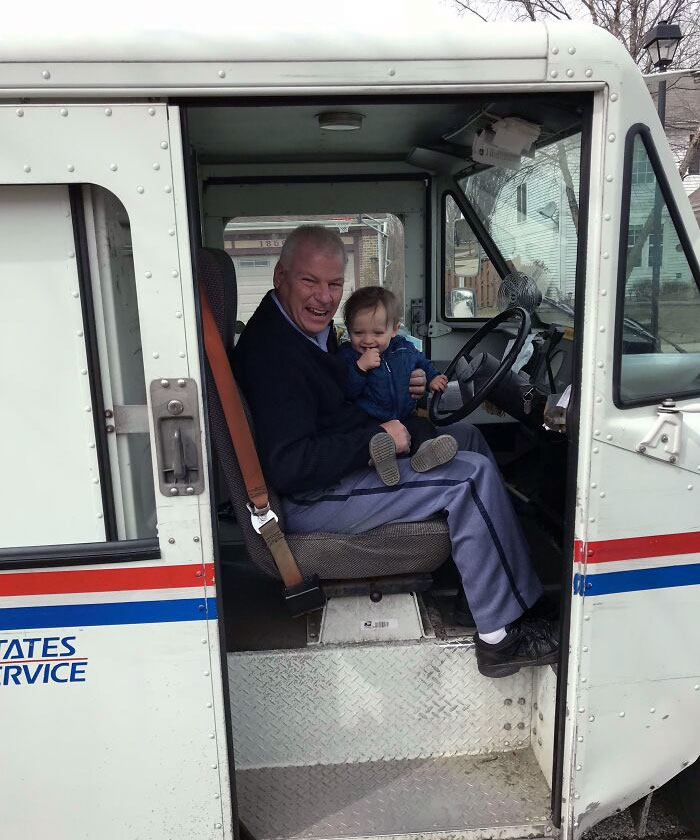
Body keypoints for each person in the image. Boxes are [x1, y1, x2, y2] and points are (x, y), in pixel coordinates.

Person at [234, 224, 558, 678]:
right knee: (469, 477)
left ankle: (491, 588)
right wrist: (377, 439)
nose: (324, 297)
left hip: (334, 467)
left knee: (466, 439)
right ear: (280, 277)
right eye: (310, 281)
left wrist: (402, 401)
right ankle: (499, 638)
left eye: (333, 285)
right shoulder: (275, 356)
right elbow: (291, 467)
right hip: (309, 499)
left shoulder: (303, 330)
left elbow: (334, 403)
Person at [338, 285, 458, 486]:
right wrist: (360, 368)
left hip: (403, 416)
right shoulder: (348, 356)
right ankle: (383, 461)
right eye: (358, 333)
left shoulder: (403, 348)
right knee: (376, 439)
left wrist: (433, 378)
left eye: (377, 332)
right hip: (371, 420)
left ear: (394, 329)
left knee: (423, 426)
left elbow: (422, 362)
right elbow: (347, 391)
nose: (368, 340)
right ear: (349, 329)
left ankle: (425, 452)